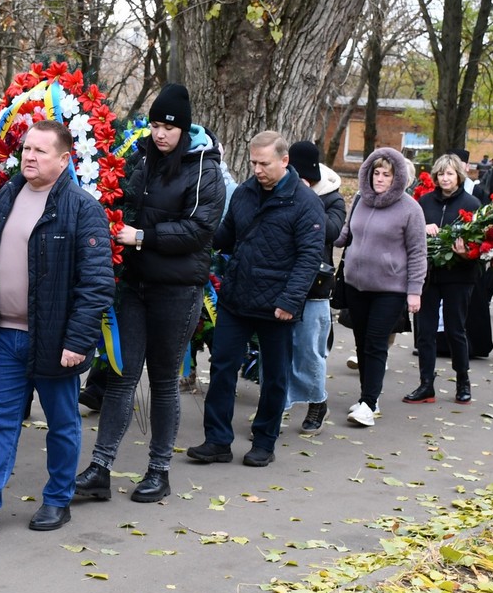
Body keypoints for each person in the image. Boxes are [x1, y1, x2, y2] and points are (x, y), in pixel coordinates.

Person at [0, 121, 114, 532]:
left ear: (65, 159)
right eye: (26, 150)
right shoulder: (11, 193)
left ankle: (57, 500)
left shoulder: (81, 208)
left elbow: (97, 283)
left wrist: (78, 340)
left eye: (40, 151)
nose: (29, 157)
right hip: (6, 335)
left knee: (63, 424)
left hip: (55, 342)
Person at [73, 83, 225, 503]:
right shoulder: (140, 157)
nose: (160, 134)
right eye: (155, 125)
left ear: (184, 129)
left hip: (177, 290)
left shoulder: (204, 169)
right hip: (135, 285)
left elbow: (199, 231)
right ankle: (100, 468)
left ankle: (159, 472)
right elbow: (118, 196)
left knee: (162, 382)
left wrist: (140, 236)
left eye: (168, 127)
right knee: (121, 376)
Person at [186, 131, 323, 467]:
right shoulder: (245, 193)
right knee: (221, 369)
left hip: (278, 306)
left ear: (284, 160)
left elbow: (309, 257)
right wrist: (194, 238)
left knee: (275, 376)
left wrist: (290, 301)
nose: (258, 169)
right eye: (253, 162)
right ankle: (217, 440)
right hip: (237, 298)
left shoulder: (306, 204)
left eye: (265, 163)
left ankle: (264, 440)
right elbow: (227, 236)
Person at [333, 147, 426, 426]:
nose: (381, 178)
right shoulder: (361, 201)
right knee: (361, 342)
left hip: (391, 289)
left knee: (375, 343)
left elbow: (418, 252)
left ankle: (370, 404)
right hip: (356, 285)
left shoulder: (411, 209)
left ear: (398, 177)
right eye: (376, 172)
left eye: (387, 174)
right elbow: (344, 236)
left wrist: (414, 291)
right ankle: (366, 397)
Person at [405, 153, 481, 405]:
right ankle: (426, 384)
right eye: (441, 174)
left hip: (459, 276)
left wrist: (467, 252)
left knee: (455, 329)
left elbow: (481, 246)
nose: (445, 178)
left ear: (459, 175)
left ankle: (463, 380)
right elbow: (408, 233)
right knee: (424, 332)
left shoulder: (472, 204)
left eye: (449, 173)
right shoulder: (424, 202)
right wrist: (422, 228)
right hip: (427, 275)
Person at [283, 140, 345, 434]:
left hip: (315, 287)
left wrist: (307, 200)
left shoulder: (331, 197)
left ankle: (317, 402)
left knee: (309, 351)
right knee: (280, 351)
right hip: (281, 284)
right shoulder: (278, 191)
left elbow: (332, 231)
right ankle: (278, 405)